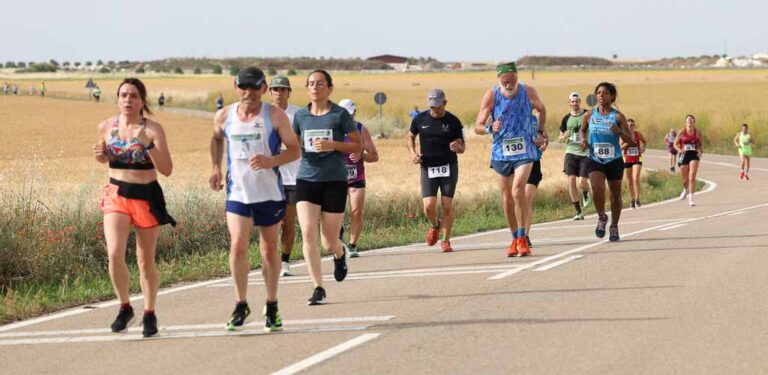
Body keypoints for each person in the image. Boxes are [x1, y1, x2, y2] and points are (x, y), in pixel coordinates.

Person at [209, 67, 299, 332]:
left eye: (254, 87)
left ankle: (272, 304)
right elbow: (215, 140)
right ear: (236, 87)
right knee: (237, 244)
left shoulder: (274, 116)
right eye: (243, 87)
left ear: (263, 88)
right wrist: (215, 167)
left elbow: (294, 150)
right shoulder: (224, 115)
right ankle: (241, 303)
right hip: (237, 192)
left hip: (268, 193)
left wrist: (272, 160)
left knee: (269, 250)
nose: (248, 93)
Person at [92, 78, 175, 338]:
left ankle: (149, 312)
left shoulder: (153, 129)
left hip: (146, 196)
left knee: (145, 261)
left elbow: (167, 169)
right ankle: (124, 306)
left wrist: (147, 144)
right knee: (114, 254)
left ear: (142, 101)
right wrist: (100, 155)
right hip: (116, 193)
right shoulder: (106, 126)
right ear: (118, 99)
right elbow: (105, 157)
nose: (128, 100)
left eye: (134, 96)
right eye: (124, 95)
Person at [293, 70, 361, 305]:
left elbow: (357, 144)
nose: (315, 87)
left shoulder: (340, 115)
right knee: (308, 232)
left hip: (334, 180)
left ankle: (340, 253)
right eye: (311, 84)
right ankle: (317, 287)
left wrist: (333, 144)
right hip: (306, 179)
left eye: (320, 84)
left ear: (329, 88)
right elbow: (293, 145)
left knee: (328, 241)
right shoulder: (301, 116)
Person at [474, 62, 545, 257]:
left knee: (517, 190)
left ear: (516, 77)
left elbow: (541, 109)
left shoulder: (528, 91)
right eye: (505, 81)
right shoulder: (491, 95)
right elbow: (477, 126)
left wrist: (539, 131)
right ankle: (514, 238)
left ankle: (523, 238)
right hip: (501, 152)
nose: (509, 84)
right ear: (499, 80)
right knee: (506, 196)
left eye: (512, 80)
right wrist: (489, 128)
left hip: (525, 150)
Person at [408, 89, 465, 253]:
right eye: (432, 107)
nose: (434, 110)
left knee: (446, 205)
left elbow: (462, 146)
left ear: (445, 103)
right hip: (427, 167)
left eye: (438, 107)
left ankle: (446, 240)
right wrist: (412, 152)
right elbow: (410, 136)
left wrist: (457, 147)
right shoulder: (420, 119)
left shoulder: (453, 121)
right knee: (428, 207)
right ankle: (435, 225)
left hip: (449, 167)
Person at [578, 82, 635, 242]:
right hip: (595, 158)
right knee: (597, 189)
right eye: (599, 93)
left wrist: (620, 131)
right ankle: (602, 217)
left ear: (612, 96)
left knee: (615, 195)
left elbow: (631, 140)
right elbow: (582, 130)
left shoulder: (618, 116)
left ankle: (614, 226)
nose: (601, 95)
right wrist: (583, 140)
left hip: (614, 159)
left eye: (605, 93)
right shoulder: (589, 115)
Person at [269, 75, 302, 276]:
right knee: (270, 223)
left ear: (289, 92)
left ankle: (285, 262)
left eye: (283, 89)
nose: (279, 93)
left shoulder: (298, 114)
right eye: (276, 89)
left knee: (287, 222)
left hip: (293, 177)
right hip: (269, 177)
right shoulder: (262, 114)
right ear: (270, 92)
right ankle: (269, 259)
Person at [339, 98, 379, 257]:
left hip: (356, 178)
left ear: (354, 112)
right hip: (336, 178)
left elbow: (374, 156)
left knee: (357, 212)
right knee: (335, 213)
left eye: (350, 114)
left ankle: (353, 245)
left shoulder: (361, 129)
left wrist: (361, 155)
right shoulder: (332, 129)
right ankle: (338, 235)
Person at [558, 92, 591, 220]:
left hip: (585, 152)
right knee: (571, 180)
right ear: (569, 103)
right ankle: (578, 211)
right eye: (572, 102)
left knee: (582, 183)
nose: (574, 104)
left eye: (576, 101)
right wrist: (563, 136)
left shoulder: (587, 114)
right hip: (570, 151)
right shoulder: (566, 118)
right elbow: (560, 137)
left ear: (580, 101)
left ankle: (586, 192)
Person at [523, 112, 549, 248]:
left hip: (533, 163)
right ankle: (517, 234)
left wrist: (544, 144)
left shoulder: (535, 120)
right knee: (517, 198)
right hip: (516, 164)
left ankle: (525, 235)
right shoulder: (510, 117)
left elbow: (545, 138)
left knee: (526, 197)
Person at [673, 114, 703, 206]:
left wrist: (700, 150)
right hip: (684, 155)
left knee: (692, 176)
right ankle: (685, 189)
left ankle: (691, 199)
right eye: (688, 120)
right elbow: (675, 144)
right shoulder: (682, 132)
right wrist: (679, 150)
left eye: (691, 120)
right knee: (685, 179)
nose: (689, 121)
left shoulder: (697, 132)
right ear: (685, 122)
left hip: (694, 155)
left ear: (694, 122)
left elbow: (700, 144)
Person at [620, 118, 647, 208]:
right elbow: (620, 147)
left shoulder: (638, 134)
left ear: (634, 126)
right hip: (627, 159)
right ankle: (631, 199)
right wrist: (628, 142)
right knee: (629, 180)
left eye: (632, 125)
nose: (630, 126)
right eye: (628, 125)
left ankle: (637, 199)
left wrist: (643, 148)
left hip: (637, 158)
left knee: (635, 178)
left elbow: (644, 141)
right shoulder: (623, 135)